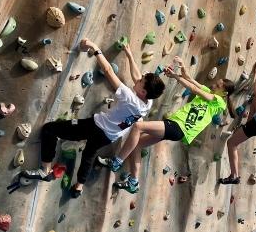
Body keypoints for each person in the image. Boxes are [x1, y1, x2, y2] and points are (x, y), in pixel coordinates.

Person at [27, 38, 165, 197]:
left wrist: (95, 47)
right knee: (89, 154)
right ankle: (79, 186)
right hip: (110, 136)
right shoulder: (147, 103)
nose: (139, 79)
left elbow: (108, 70)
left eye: (141, 81)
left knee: (50, 129)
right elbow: (137, 77)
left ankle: (45, 170)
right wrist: (129, 55)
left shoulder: (129, 98)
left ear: (143, 92)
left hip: (94, 126)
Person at [100, 56, 234, 193]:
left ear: (224, 93)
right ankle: (133, 182)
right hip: (176, 126)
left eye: (218, 86)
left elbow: (194, 89)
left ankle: (117, 162)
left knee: (138, 127)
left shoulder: (219, 102)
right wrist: (182, 67)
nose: (214, 86)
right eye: (216, 83)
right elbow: (190, 79)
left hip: (179, 127)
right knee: (137, 144)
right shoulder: (209, 92)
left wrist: (175, 76)